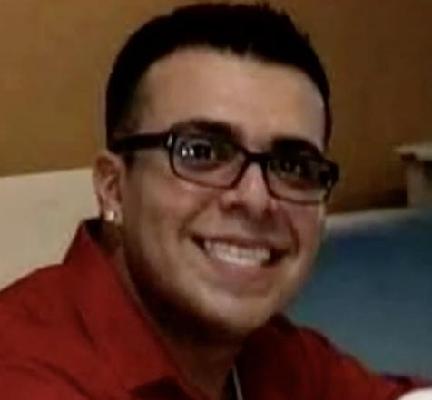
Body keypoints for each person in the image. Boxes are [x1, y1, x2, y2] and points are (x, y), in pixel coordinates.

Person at [0, 3, 429, 399]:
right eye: (202, 153)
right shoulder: (25, 372)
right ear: (114, 187)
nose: (256, 199)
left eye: (293, 166)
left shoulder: (271, 353)